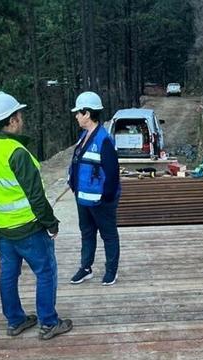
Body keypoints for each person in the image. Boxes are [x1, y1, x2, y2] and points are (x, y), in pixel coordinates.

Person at [0, 91, 72, 339]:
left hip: (4, 228)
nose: (22, 118)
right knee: (46, 271)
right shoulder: (17, 153)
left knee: (8, 274)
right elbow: (36, 196)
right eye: (19, 115)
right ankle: (49, 323)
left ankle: (15, 321)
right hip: (29, 228)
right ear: (11, 120)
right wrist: (51, 224)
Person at [68, 91, 121, 286]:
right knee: (87, 233)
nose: (76, 116)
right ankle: (86, 268)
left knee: (108, 234)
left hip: (100, 199)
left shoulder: (103, 140)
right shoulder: (83, 136)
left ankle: (111, 271)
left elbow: (112, 173)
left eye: (78, 113)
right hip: (83, 198)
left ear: (87, 114)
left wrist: (106, 197)